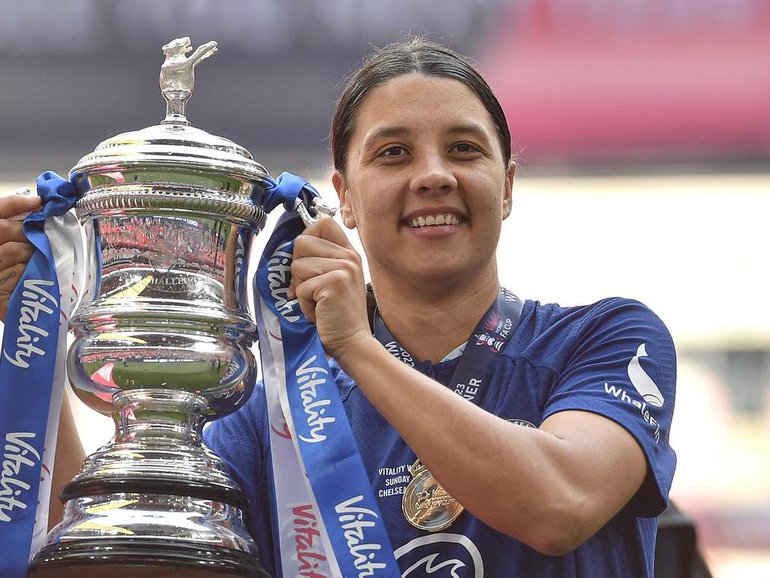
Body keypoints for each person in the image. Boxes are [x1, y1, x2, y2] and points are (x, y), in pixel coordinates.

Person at [0, 37, 677, 577]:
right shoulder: (270, 420)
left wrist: (356, 346)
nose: (433, 173)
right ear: (344, 196)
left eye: (464, 149)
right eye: (393, 153)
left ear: (506, 187)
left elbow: (559, 504)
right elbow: (113, 553)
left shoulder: (607, 338)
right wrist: (38, 336)